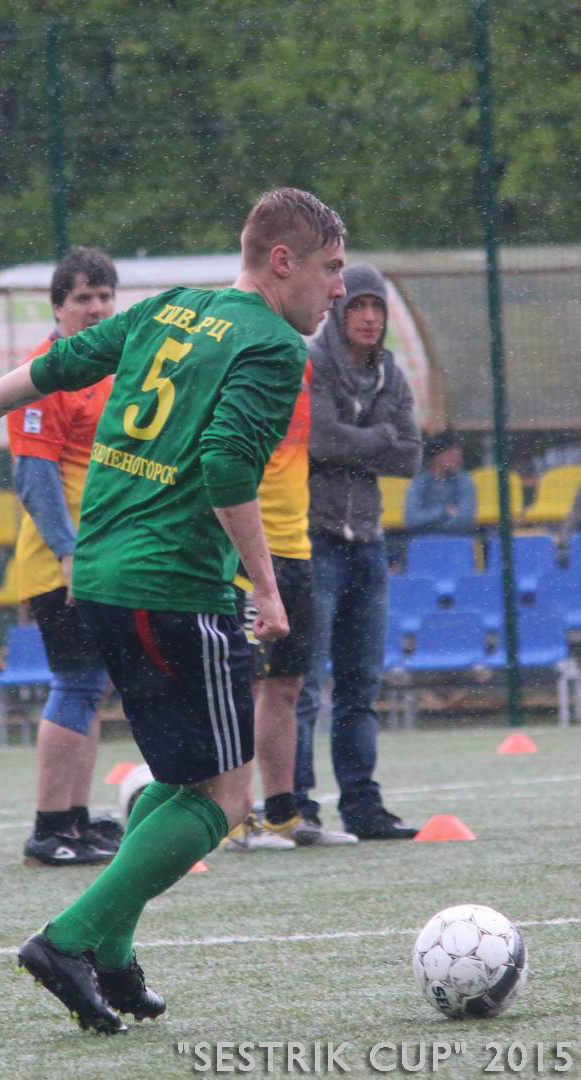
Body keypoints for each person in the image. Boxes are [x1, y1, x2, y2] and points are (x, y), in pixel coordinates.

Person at [0, 187, 347, 1033]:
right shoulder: (271, 347)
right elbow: (224, 465)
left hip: (101, 573)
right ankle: (67, 939)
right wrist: (265, 584)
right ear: (281, 260)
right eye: (330, 269)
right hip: (174, 583)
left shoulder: (172, 307)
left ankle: (112, 954)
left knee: (177, 781)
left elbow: (54, 365)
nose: (337, 289)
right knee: (225, 796)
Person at [293, 263, 423, 842]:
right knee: (303, 684)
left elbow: (411, 456)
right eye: (359, 306)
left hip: (369, 544)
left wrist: (358, 445)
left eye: (377, 307)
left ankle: (363, 807)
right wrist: (377, 438)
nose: (369, 318)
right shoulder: (312, 365)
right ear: (340, 312)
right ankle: (297, 805)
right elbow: (318, 439)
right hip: (314, 539)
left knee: (360, 686)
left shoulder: (391, 373)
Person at [6, 246, 122, 867]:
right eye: (82, 298)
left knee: (91, 686)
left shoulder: (114, 370)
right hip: (63, 562)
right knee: (76, 682)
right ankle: (47, 828)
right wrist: (70, 553)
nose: (96, 308)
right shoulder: (45, 372)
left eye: (104, 296)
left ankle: (75, 821)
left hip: (102, 558)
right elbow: (34, 476)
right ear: (58, 307)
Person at [223, 359, 358, 851]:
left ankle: (282, 813)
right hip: (246, 551)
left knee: (286, 684)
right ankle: (235, 817)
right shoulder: (238, 354)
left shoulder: (302, 363)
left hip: (296, 549)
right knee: (244, 684)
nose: (324, 321)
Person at [404, 431, 476, 535]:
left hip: (457, 539)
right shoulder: (420, 482)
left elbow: (466, 518)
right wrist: (444, 512)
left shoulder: (463, 479)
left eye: (458, 454)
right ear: (436, 456)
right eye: (451, 454)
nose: (457, 458)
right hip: (424, 540)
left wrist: (431, 525)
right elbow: (411, 519)